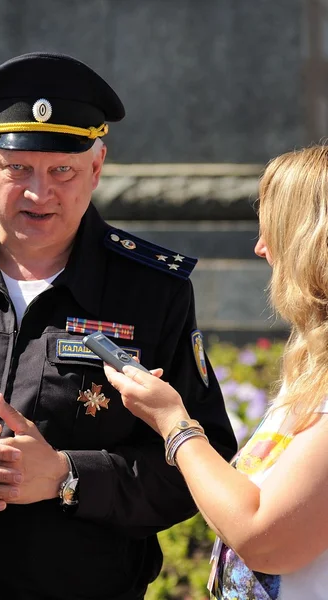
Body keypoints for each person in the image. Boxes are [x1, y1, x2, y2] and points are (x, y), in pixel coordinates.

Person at [0, 52, 237, 600]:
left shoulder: (153, 291)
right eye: (18, 169)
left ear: (97, 167)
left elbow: (202, 467)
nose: (40, 193)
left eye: (62, 170)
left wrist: (67, 477)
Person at [104, 144, 328, 600]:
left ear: (310, 241)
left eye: (273, 230)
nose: (261, 248)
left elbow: (263, 538)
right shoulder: (312, 367)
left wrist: (175, 424)